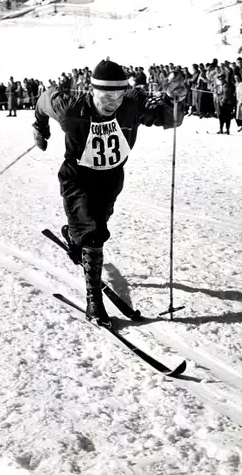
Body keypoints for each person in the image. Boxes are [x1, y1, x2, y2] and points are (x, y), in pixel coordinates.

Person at [32, 59, 187, 329]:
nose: (112, 102)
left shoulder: (132, 103)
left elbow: (170, 119)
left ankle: (73, 235)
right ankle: (94, 302)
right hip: (77, 178)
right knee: (94, 233)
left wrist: (173, 98)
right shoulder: (71, 109)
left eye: (117, 95)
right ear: (92, 91)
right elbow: (44, 99)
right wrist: (40, 128)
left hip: (112, 178)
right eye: (106, 96)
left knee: (96, 226)